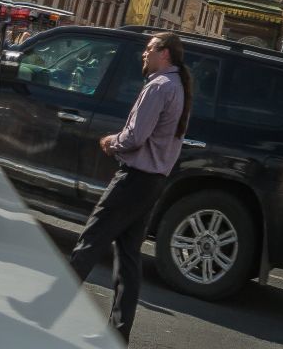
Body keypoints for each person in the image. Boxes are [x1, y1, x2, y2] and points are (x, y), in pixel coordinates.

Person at [67, 32, 191, 341]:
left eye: (149, 49)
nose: (144, 55)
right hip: (152, 182)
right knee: (128, 259)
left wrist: (111, 142)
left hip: (134, 179)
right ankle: (118, 335)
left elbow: (135, 137)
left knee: (89, 242)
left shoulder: (159, 87)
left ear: (165, 54)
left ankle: (45, 310)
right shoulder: (178, 86)